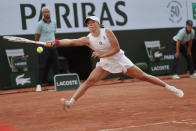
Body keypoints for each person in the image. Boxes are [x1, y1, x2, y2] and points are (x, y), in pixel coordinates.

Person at [46, 16, 184, 111]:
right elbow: (71, 41)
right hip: (105, 63)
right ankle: (70, 103)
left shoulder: (107, 32)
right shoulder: (87, 39)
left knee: (144, 76)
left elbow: (116, 49)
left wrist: (101, 55)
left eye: (93, 22)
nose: (91, 25)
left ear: (98, 24)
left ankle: (170, 87)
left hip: (119, 60)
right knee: (89, 81)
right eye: (88, 23)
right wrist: (56, 42)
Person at [35, 7, 59, 92]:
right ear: (42, 14)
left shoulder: (54, 23)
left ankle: (58, 84)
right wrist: (38, 45)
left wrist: (52, 43)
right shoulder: (39, 24)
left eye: (48, 12)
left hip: (53, 46)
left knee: (56, 66)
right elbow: (37, 36)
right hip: (43, 46)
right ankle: (39, 85)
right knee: (42, 66)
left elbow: (53, 33)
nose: (47, 13)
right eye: (45, 12)